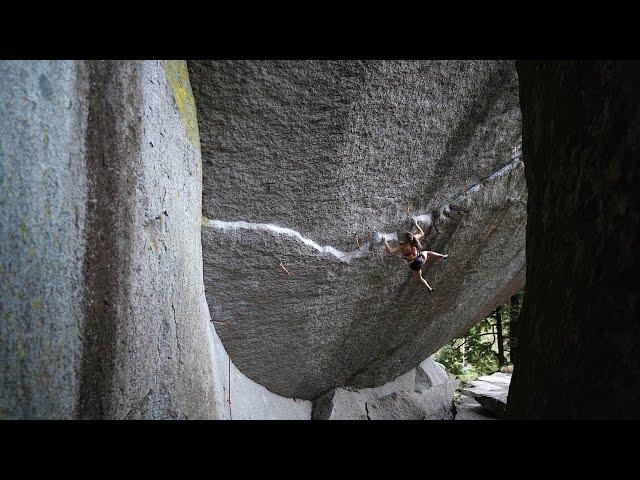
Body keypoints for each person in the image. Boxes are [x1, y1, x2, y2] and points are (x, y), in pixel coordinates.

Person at [383, 218, 448, 292]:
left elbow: (390, 251)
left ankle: (429, 288)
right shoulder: (414, 239)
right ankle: (442, 256)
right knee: (427, 252)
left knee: (419, 278)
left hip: (414, 264)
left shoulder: (402, 245)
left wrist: (385, 242)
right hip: (421, 259)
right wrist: (416, 224)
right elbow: (421, 233)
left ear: (405, 240)